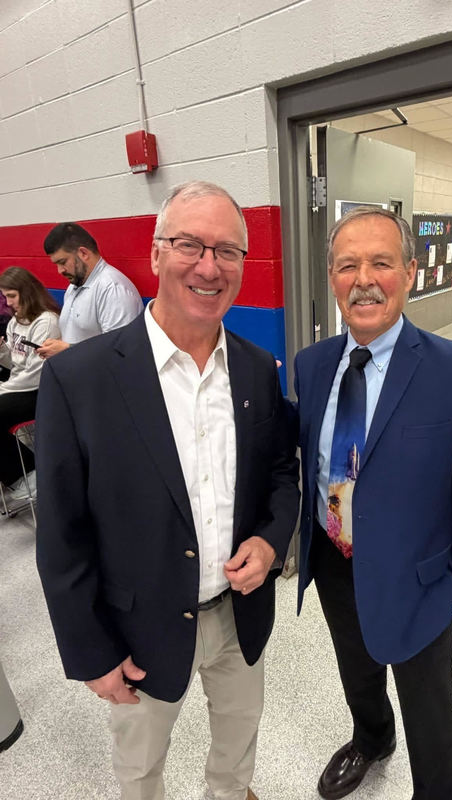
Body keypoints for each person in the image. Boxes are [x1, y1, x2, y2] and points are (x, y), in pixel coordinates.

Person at [35, 181, 300, 800]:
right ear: (156, 255)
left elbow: (282, 474)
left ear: (242, 264)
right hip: (138, 628)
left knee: (238, 743)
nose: (209, 267)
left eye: (227, 251)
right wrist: (89, 651)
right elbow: (62, 532)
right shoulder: (81, 379)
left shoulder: (258, 369)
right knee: (140, 765)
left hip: (239, 615)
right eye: (189, 245)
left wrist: (268, 540)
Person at [294, 207, 452, 800]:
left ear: (411, 272)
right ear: (332, 279)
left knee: (429, 703)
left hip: (421, 583)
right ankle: (371, 737)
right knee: (357, 672)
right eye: (347, 265)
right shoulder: (312, 368)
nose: (364, 278)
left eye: (381, 262)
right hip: (336, 562)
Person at [37, 222, 143, 358]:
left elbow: (121, 351)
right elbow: (77, 339)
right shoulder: (73, 288)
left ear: (83, 253)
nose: (60, 271)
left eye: (63, 262)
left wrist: (67, 350)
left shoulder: (113, 289)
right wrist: (56, 348)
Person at [0, 267, 61, 500]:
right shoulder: (16, 322)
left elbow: (35, 374)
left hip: (40, 390)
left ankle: (28, 476)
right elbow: (15, 363)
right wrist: (2, 351)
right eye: (5, 296)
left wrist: (3, 389)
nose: (8, 302)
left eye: (11, 296)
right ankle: (13, 473)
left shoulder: (46, 321)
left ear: (27, 291)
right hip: (18, 384)